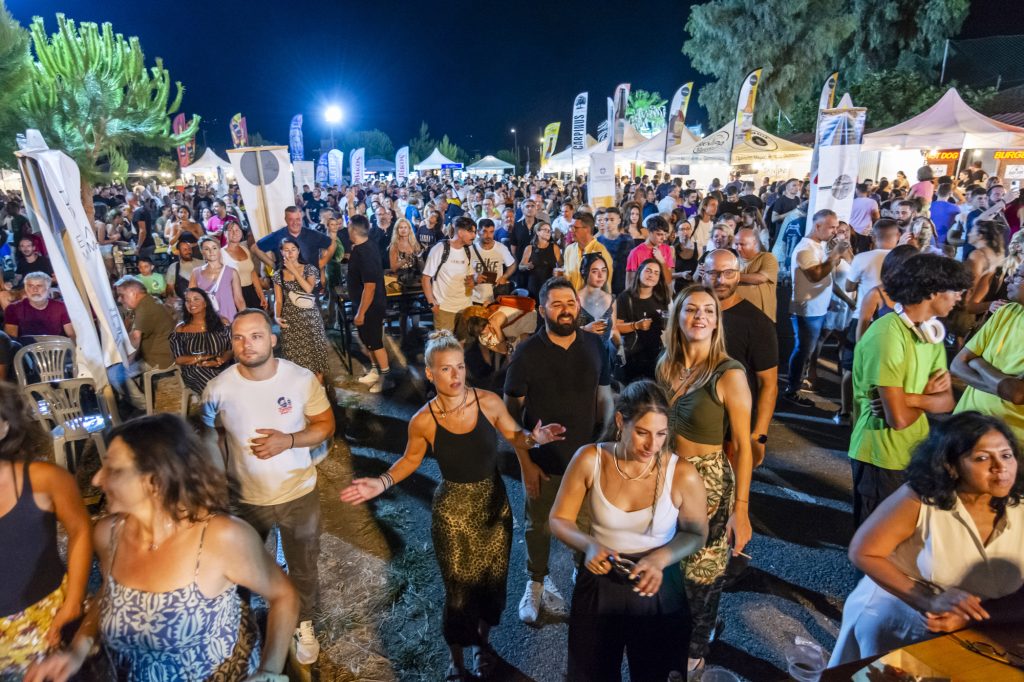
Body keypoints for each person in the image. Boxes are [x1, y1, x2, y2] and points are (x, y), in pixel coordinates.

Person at [341, 331, 564, 680]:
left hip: (493, 508)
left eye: (459, 366)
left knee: (492, 586)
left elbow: (515, 436)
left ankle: (482, 646)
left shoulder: (488, 402)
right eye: (446, 369)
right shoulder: (423, 420)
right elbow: (410, 459)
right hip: (452, 514)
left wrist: (534, 439)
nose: (456, 374)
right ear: (430, 374)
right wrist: (380, 482)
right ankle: (456, 661)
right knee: (459, 594)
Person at [27, 413, 299, 681]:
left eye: (113, 469)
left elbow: (284, 595)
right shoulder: (109, 533)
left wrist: (269, 673)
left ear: (155, 481)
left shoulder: (221, 538)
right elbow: (110, 595)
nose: (97, 480)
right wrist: (77, 651)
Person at [830, 412, 1024, 665]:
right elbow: (863, 552)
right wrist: (929, 601)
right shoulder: (920, 499)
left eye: (1006, 455)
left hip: (973, 635)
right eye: (982, 458)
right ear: (951, 466)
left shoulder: (1019, 508)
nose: (1000, 467)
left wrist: (969, 618)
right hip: (894, 624)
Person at [549, 381, 709, 681]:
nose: (653, 445)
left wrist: (661, 558)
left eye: (661, 434)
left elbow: (697, 533)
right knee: (591, 673)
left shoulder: (682, 474)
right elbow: (559, 518)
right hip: (600, 580)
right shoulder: (589, 459)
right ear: (621, 421)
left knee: (653, 673)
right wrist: (589, 545)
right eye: (643, 432)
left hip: (657, 583)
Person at [202, 309, 335, 666]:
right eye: (239, 338)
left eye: (256, 336)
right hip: (245, 499)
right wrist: (216, 479)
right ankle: (241, 629)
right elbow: (210, 435)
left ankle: (302, 623)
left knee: (303, 566)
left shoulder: (300, 379)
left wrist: (288, 440)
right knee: (241, 570)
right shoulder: (217, 389)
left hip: (299, 493)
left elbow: (325, 424)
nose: (247, 344)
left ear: (273, 339)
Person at [504, 277, 613, 625]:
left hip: (586, 462)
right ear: (542, 310)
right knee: (538, 526)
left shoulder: (595, 345)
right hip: (544, 462)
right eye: (556, 304)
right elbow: (510, 415)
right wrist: (525, 462)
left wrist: (604, 444)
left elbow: (604, 397)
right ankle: (536, 582)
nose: (565, 310)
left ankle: (584, 576)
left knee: (587, 523)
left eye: (570, 303)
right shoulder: (526, 354)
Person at [658, 284, 753, 673]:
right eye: (691, 309)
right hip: (668, 477)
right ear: (677, 317)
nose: (700, 316)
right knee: (669, 565)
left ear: (717, 322)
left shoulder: (729, 374)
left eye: (709, 311)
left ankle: (694, 655)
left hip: (708, 483)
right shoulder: (666, 364)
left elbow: (743, 447)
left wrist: (741, 510)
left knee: (703, 573)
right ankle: (672, 636)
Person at [848, 253, 972, 527]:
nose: (959, 298)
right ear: (933, 291)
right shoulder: (887, 336)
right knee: (877, 540)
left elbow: (947, 402)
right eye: (955, 290)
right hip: (880, 456)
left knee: (908, 538)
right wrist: (926, 397)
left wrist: (911, 398)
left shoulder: (931, 334)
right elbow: (899, 419)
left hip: (916, 455)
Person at [0, 386, 91, 678]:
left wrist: (74, 600)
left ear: (5, 426)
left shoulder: (43, 479)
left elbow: (80, 529)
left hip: (44, 622)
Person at [702, 250, 778, 468]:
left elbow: (768, 384)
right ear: (703, 274)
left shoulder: (757, 323)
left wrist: (759, 436)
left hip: (732, 432)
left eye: (728, 273)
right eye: (714, 273)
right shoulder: (692, 314)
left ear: (738, 275)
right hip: (691, 426)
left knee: (728, 486)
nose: (721, 280)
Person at [950, 261, 1024, 444]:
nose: (1008, 280)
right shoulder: (1006, 312)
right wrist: (1001, 386)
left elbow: (1017, 393)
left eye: (1017, 276)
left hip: (1007, 445)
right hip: (964, 426)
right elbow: (957, 364)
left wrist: (977, 363)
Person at [783, 209, 850, 406]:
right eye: (832, 227)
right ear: (817, 226)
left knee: (808, 349)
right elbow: (816, 275)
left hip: (817, 309)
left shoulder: (818, 246)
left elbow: (826, 278)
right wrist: (835, 254)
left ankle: (798, 382)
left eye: (836, 227)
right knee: (803, 350)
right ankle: (792, 390)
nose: (835, 231)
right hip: (807, 311)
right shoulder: (805, 249)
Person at [109, 276, 175, 412]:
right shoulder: (149, 301)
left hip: (159, 359)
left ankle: (146, 407)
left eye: (122, 295)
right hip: (160, 354)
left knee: (114, 374)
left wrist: (125, 362)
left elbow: (135, 339)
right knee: (118, 369)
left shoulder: (145, 308)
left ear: (133, 293)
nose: (119, 300)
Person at [273, 236, 330, 381]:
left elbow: (308, 288)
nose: (290, 253)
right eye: (286, 250)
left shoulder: (309, 269)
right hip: (291, 320)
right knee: (294, 360)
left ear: (298, 251)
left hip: (310, 319)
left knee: (315, 357)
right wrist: (276, 316)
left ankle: (319, 389)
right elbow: (278, 300)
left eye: (293, 249)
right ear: (281, 252)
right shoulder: (278, 274)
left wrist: (294, 270)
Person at [347, 215, 391, 394]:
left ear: (353, 230)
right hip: (363, 305)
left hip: (370, 307)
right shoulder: (363, 246)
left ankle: (386, 379)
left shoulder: (365, 253)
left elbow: (370, 287)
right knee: (368, 342)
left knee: (375, 343)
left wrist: (361, 312)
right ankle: (375, 370)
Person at [615, 258, 670, 383]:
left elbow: (667, 324)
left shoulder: (662, 297)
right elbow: (616, 327)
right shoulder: (625, 297)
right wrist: (636, 325)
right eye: (648, 271)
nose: (651, 275)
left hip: (656, 356)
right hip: (632, 356)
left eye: (656, 273)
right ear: (639, 272)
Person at [169, 287, 232, 395]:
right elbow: (179, 359)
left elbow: (231, 348)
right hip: (196, 369)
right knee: (216, 387)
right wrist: (201, 358)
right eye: (187, 300)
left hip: (223, 365)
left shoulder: (222, 323)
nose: (191, 303)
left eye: (196, 299)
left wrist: (220, 360)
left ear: (205, 303)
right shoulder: (181, 329)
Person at [422, 216, 480, 332]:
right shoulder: (440, 249)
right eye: (471, 232)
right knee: (444, 342)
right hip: (445, 308)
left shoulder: (468, 250)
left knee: (462, 341)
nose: (474, 236)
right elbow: (425, 278)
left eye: (475, 232)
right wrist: (431, 303)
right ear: (460, 232)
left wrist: (473, 281)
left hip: (465, 307)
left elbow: (469, 276)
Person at [253, 206, 336, 277]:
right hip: (287, 283)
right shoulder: (277, 236)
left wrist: (323, 262)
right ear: (285, 220)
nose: (295, 223)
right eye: (291, 219)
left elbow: (332, 244)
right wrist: (274, 265)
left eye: (298, 219)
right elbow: (254, 248)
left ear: (301, 218)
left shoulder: (313, 234)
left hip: (312, 281)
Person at [3, 273, 74, 342]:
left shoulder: (61, 307)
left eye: (39, 286)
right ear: (26, 289)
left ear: (48, 289)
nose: (35, 290)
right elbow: (12, 341)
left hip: (57, 347)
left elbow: (71, 335)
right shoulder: (13, 309)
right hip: (27, 348)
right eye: (30, 286)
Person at [190, 235, 245, 323]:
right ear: (202, 251)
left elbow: (239, 300)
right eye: (207, 249)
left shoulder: (231, 272)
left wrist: (244, 321)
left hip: (229, 319)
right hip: (207, 321)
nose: (211, 251)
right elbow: (191, 299)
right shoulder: (196, 272)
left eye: (214, 248)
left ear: (219, 250)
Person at [734, 226, 778, 322]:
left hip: (761, 319)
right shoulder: (732, 261)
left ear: (754, 243)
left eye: (742, 244)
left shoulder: (767, 258)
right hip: (737, 318)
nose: (738, 248)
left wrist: (732, 276)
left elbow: (761, 278)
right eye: (736, 244)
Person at [561, 212, 613, 292]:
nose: (571, 231)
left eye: (575, 228)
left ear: (587, 229)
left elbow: (605, 286)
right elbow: (567, 277)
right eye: (571, 227)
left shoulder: (601, 252)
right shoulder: (569, 250)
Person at [221, 220, 266, 310]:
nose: (234, 233)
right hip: (235, 295)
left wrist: (261, 294)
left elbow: (252, 273)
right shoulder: (221, 254)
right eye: (230, 230)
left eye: (237, 230)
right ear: (225, 234)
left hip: (251, 292)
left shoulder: (245, 249)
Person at [577, 253, 615, 357]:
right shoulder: (574, 300)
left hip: (604, 357)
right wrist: (585, 329)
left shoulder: (611, 299)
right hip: (581, 356)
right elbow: (563, 332)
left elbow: (613, 329)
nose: (600, 275)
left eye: (603, 270)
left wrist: (619, 345)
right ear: (584, 272)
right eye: (594, 271)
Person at [471, 218, 516, 305]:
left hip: (494, 296)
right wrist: (474, 277)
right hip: (475, 296)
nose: (488, 235)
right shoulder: (471, 249)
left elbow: (512, 264)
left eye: (491, 232)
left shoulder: (501, 248)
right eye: (485, 231)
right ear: (478, 232)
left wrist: (504, 277)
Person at [625, 215, 674, 289]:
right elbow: (630, 284)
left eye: (665, 235)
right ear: (649, 232)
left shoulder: (666, 249)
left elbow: (668, 280)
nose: (663, 238)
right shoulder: (636, 253)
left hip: (661, 293)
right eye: (659, 234)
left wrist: (662, 261)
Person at [518, 223, 560, 301]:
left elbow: (561, 266)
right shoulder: (529, 248)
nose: (548, 232)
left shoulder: (555, 247)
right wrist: (526, 266)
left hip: (550, 286)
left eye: (549, 230)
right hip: (534, 286)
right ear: (537, 232)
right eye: (545, 230)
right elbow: (520, 267)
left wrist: (558, 272)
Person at [597, 208, 634, 295]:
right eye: (606, 219)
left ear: (619, 221)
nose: (608, 222)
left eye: (612, 219)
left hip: (622, 284)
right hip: (603, 284)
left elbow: (631, 265)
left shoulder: (627, 240)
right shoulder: (598, 241)